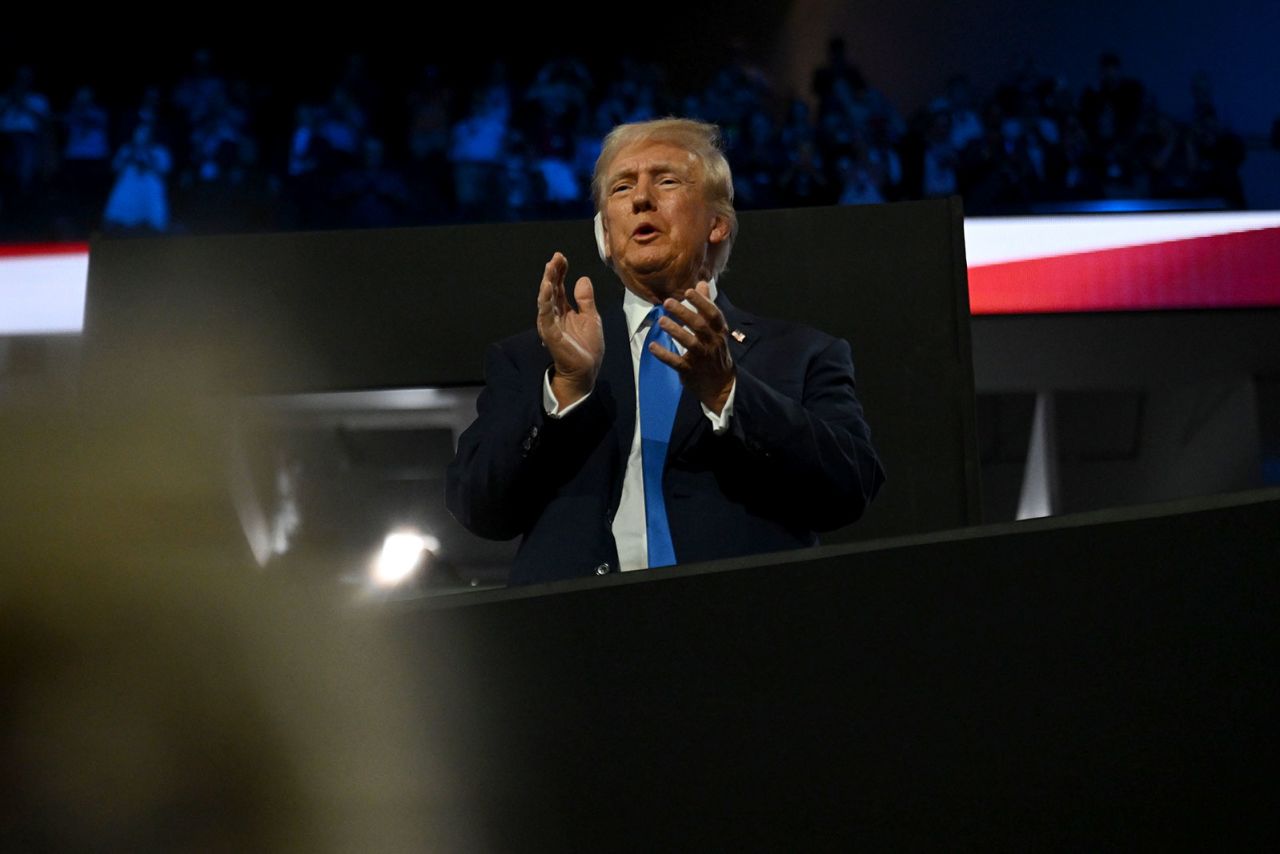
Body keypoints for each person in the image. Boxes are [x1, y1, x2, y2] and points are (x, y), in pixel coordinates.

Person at [446, 118, 883, 585]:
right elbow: (479, 508)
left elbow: (849, 489)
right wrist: (565, 389)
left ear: (717, 223)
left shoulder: (802, 354)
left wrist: (728, 392)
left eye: (667, 180)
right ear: (606, 236)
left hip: (742, 634)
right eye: (621, 188)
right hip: (576, 638)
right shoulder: (537, 360)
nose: (640, 199)